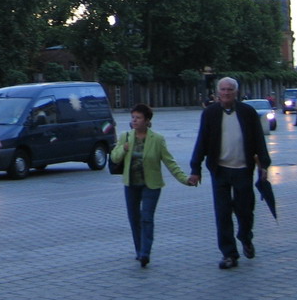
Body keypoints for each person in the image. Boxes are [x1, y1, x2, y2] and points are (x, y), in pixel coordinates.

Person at [188, 76, 271, 270]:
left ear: (236, 92)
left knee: (245, 210)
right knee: (223, 213)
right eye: (223, 89)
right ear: (218, 92)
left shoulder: (247, 112)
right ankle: (229, 254)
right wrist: (195, 168)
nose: (226, 93)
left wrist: (264, 165)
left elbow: (259, 139)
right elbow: (202, 141)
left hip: (243, 169)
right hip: (220, 170)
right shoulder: (210, 113)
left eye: (230, 90)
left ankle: (245, 236)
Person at [110, 104, 192, 268]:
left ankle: (145, 253)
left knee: (147, 218)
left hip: (151, 185)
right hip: (131, 184)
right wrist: (124, 149)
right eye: (133, 117)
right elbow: (114, 158)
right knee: (134, 218)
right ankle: (139, 249)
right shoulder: (126, 136)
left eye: (138, 118)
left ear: (147, 121)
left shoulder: (157, 139)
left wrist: (185, 179)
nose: (134, 121)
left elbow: (170, 162)